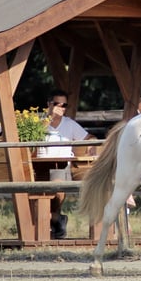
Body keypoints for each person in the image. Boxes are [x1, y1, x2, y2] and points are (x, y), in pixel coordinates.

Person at [45, 89, 97, 239]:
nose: (61, 107)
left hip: (61, 166)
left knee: (57, 186)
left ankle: (52, 219)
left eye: (64, 105)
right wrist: (48, 119)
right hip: (37, 166)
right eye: (57, 104)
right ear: (49, 104)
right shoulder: (38, 122)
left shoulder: (69, 124)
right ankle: (56, 219)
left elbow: (89, 136)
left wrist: (91, 143)